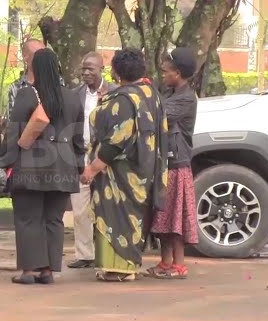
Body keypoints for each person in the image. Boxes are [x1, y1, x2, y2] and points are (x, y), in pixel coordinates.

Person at [0, 48, 85, 285]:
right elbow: (78, 138)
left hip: (31, 166)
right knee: (53, 219)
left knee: (28, 218)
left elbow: (15, 132)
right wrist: (79, 166)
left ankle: (29, 271)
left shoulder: (27, 94)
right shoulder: (73, 97)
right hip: (64, 167)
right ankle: (47, 270)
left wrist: (3, 162)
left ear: (34, 69)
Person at [80, 48, 168, 282]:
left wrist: (93, 168)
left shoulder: (124, 99)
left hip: (120, 175)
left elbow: (115, 142)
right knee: (135, 218)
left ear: (117, 73)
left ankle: (118, 268)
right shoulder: (151, 93)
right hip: (145, 170)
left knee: (115, 217)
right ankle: (126, 265)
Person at [146, 47, 199, 279]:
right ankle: (165, 262)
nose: (163, 74)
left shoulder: (186, 98)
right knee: (163, 217)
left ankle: (179, 265)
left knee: (175, 218)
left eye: (166, 71)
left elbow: (159, 115)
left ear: (178, 73)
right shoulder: (167, 92)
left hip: (177, 163)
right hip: (165, 162)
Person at [68, 51, 117, 269]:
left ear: (101, 70)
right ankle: (84, 254)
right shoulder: (75, 94)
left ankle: (108, 254)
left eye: (91, 69)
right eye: (83, 69)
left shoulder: (115, 92)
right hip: (81, 155)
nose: (86, 72)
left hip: (106, 155)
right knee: (80, 208)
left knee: (108, 206)